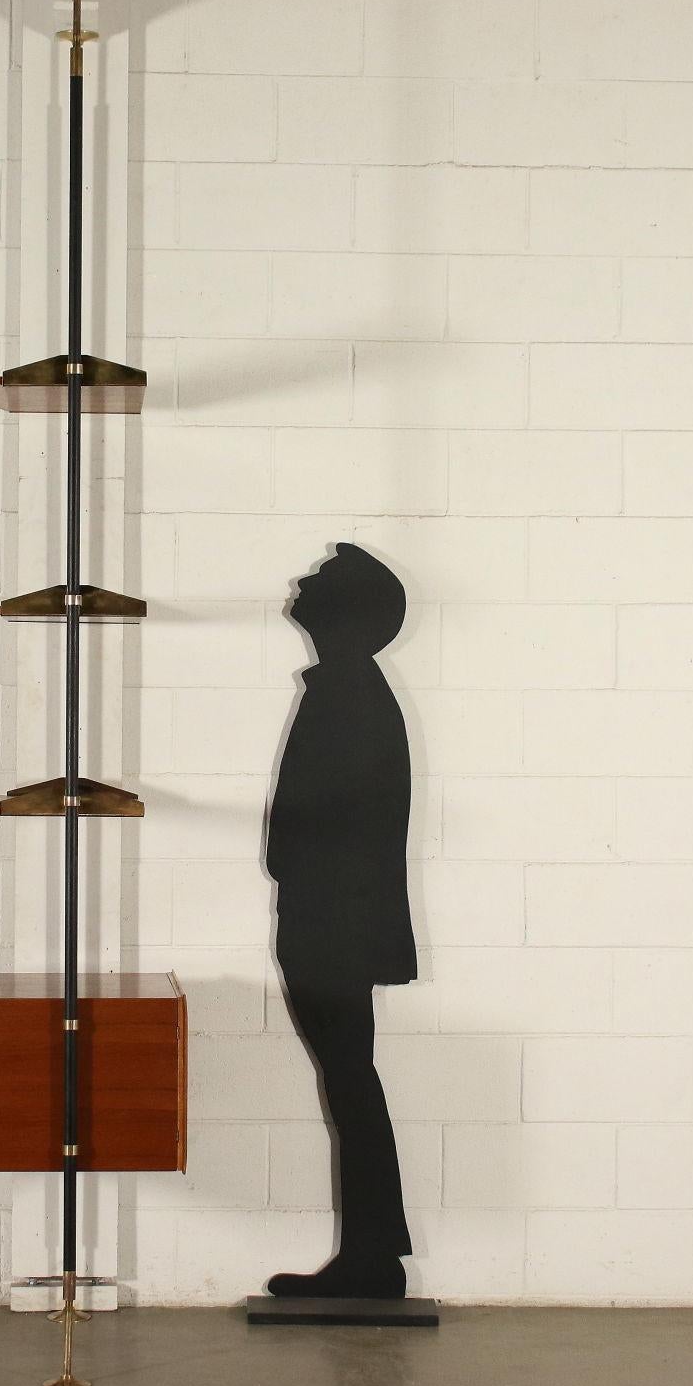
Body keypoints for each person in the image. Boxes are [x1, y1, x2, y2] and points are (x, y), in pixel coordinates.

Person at [264, 542, 416, 1300]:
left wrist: (301, 884)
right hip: (330, 920)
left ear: (347, 613)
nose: (301, 583)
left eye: (320, 581)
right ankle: (374, 1253)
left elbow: (341, 825)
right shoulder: (349, 688)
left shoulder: (350, 693)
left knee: (350, 1079)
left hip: (333, 925)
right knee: (351, 1078)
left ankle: (374, 1256)